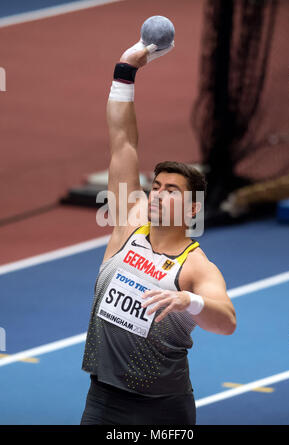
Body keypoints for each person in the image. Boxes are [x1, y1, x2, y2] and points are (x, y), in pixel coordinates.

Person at [80, 39, 236, 426]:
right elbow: (123, 142)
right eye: (157, 187)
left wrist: (189, 302)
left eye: (172, 191)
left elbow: (227, 321)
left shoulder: (195, 268)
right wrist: (125, 70)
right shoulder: (128, 224)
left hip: (162, 409)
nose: (157, 194)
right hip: (101, 400)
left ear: (193, 209)